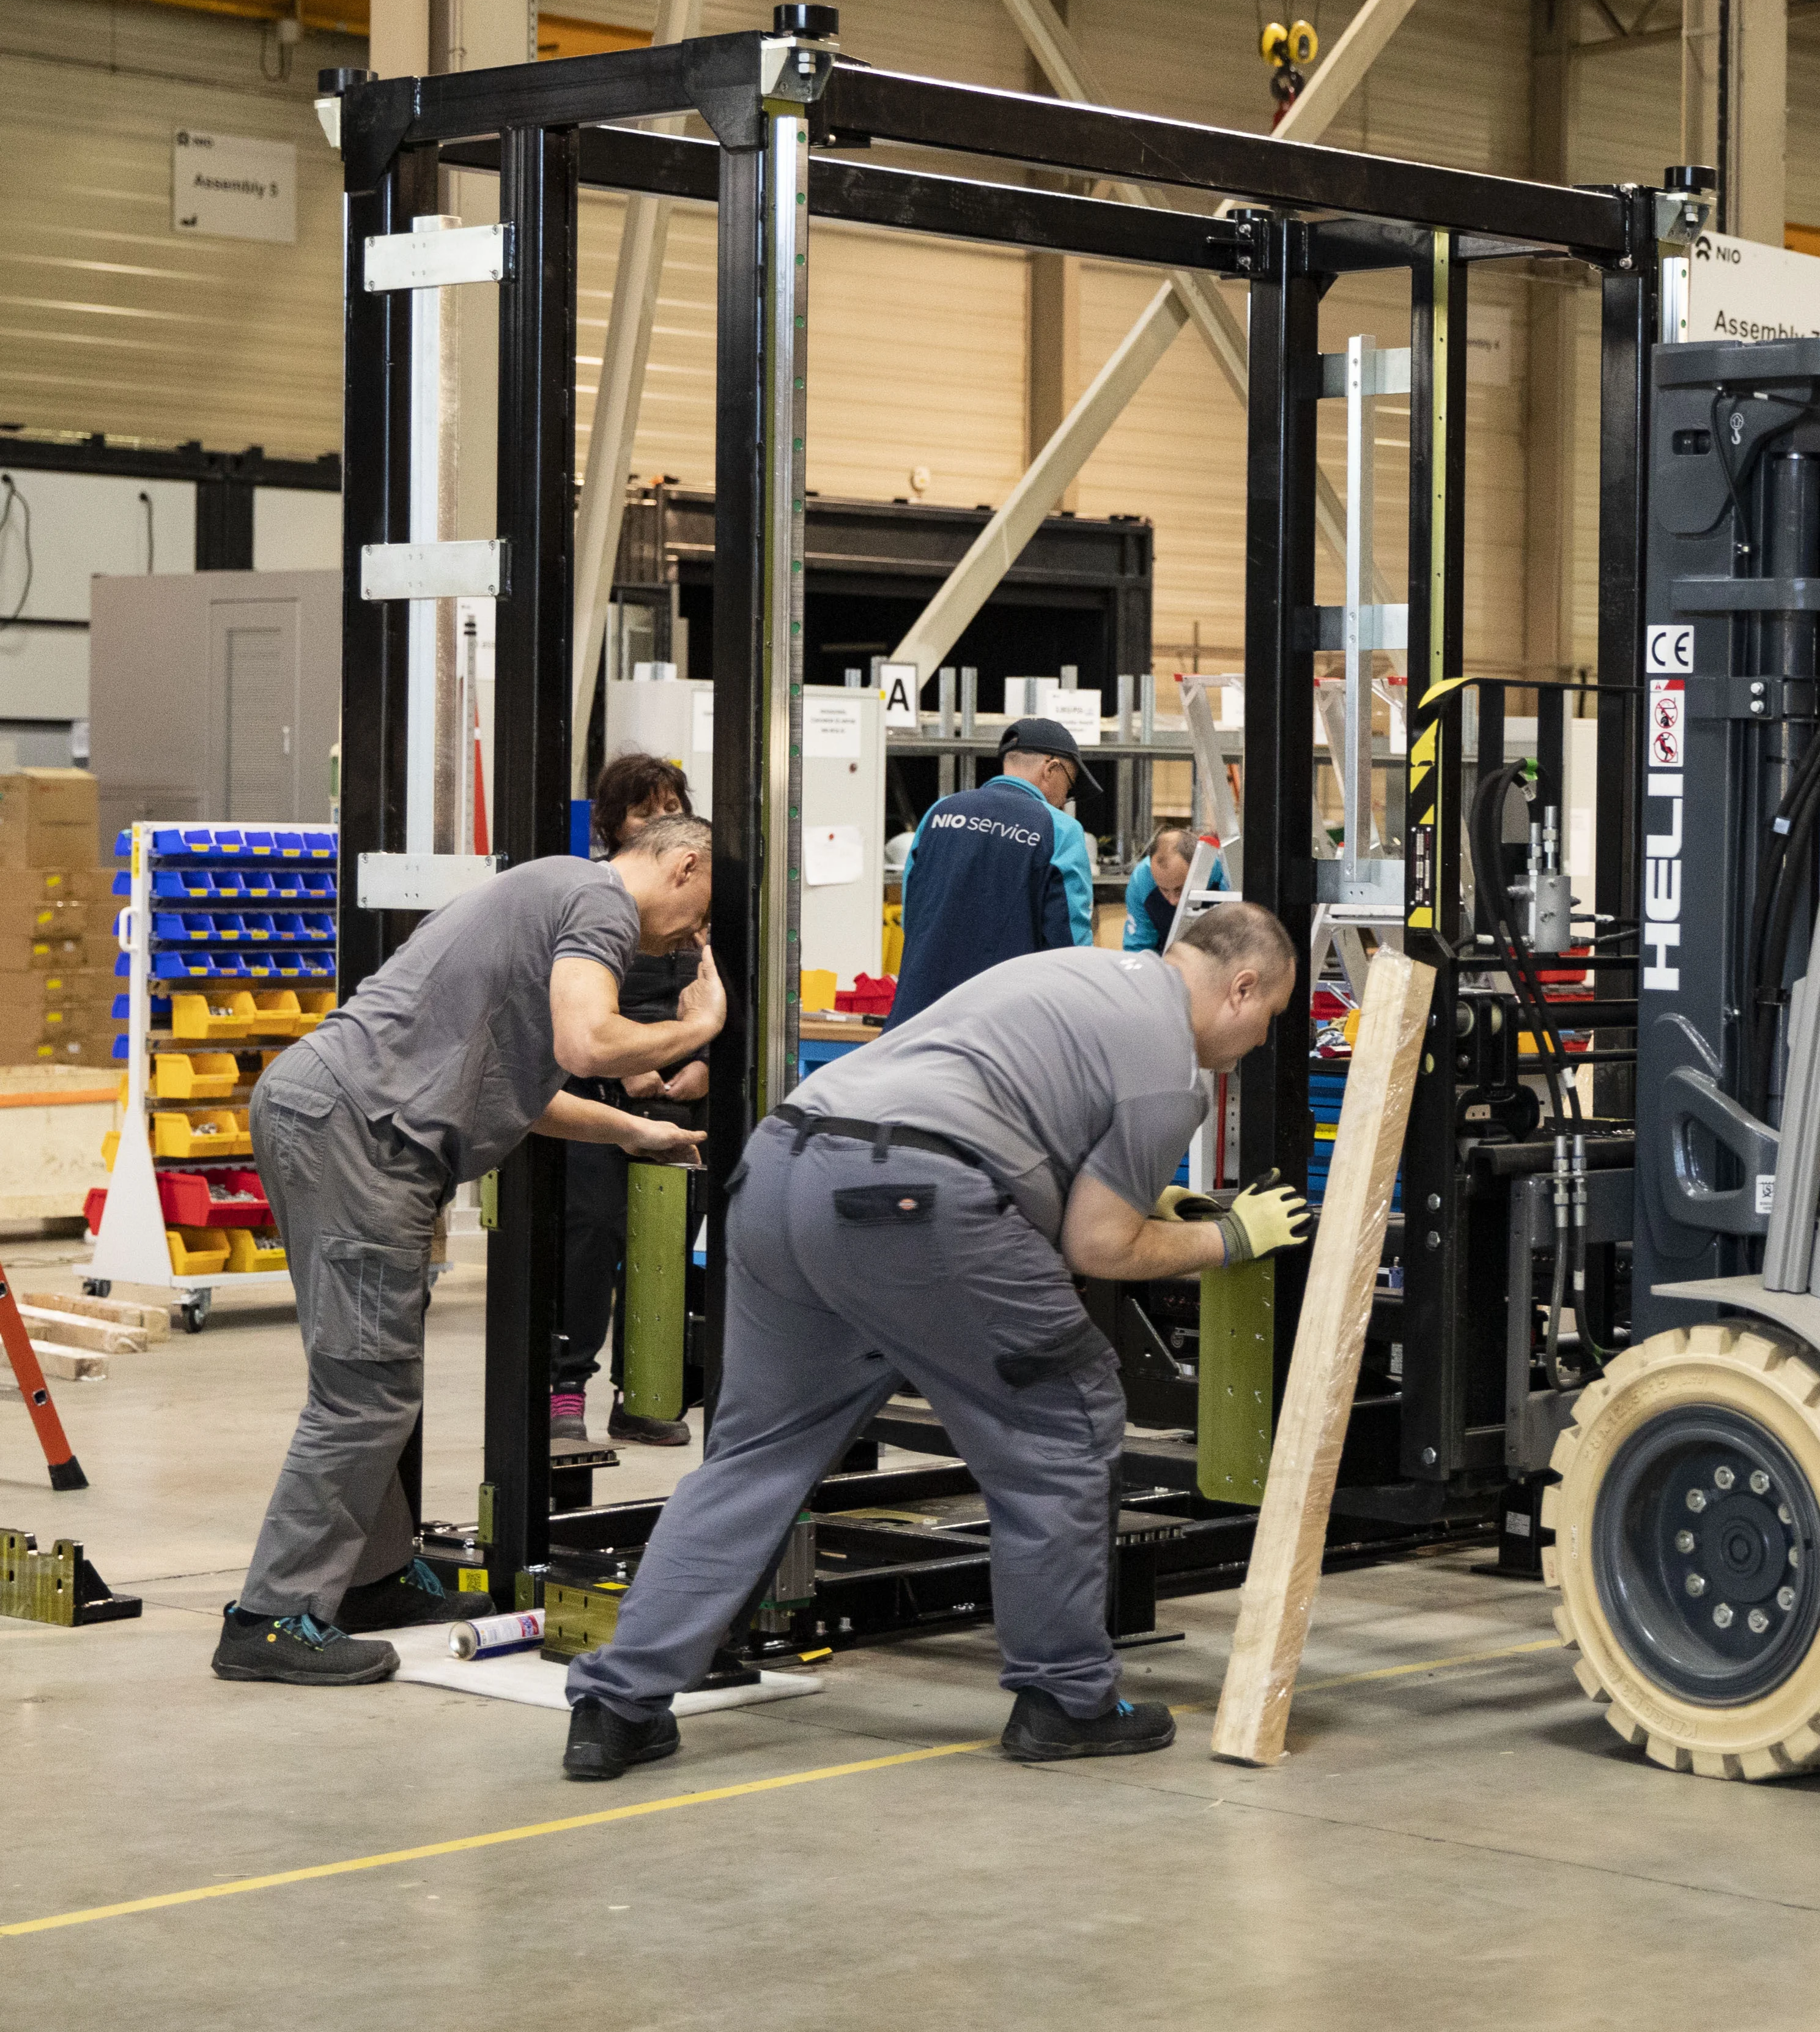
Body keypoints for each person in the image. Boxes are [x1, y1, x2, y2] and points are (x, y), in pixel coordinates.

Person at [558, 905, 1308, 1781]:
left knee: (755, 1457)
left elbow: (1011, 1110)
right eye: (1269, 1016)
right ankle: (1067, 1700)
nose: (1261, 1040)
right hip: (912, 1202)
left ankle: (616, 1707)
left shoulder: (1081, 970)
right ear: (1241, 986)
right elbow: (1098, 1247)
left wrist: (1147, 1205)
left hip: (780, 1172)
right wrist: (1232, 1238)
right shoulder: (1169, 1069)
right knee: (1065, 1420)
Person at [215, 819, 722, 1688]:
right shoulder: (599, 905)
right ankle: (267, 1617)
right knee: (365, 1388)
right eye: (701, 919)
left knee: (368, 1381)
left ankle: (369, 1583)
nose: (691, 940)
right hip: (360, 1132)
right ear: (685, 865)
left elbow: (516, 1091)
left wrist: (634, 1128)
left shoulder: (551, 889)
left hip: (333, 1112)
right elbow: (587, 1044)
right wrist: (697, 1024)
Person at [555, 751, 709, 1448]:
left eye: (672, 806)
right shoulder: (593, 901)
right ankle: (564, 1390)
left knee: (665, 1243)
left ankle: (647, 1391)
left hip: (680, 1097)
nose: (662, 820)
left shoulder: (699, 905)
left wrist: (699, 1061)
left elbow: (716, 995)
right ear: (614, 820)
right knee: (591, 1234)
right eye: (647, 809)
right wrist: (632, 1070)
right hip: (591, 1097)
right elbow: (583, 1023)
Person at [889, 716, 1092, 1028]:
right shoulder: (1061, 830)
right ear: (1051, 768)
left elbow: (912, 914)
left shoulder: (940, 812)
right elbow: (1069, 947)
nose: (1065, 799)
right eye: (1071, 785)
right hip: (1002, 1029)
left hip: (918, 1017)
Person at [1120, 826, 1227, 953]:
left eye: (1179, 889)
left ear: (1198, 869)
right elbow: (1139, 948)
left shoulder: (1223, 872)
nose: (1173, 901)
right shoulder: (1142, 880)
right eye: (1164, 890)